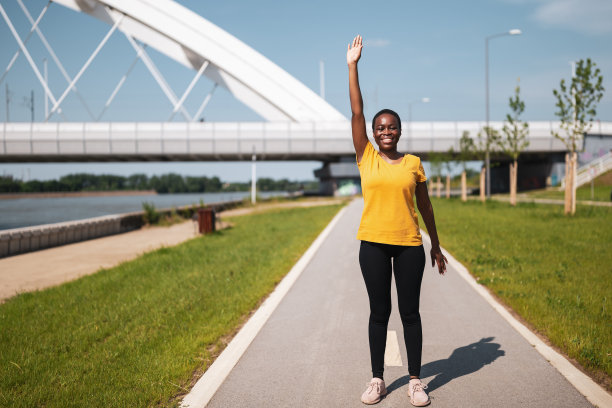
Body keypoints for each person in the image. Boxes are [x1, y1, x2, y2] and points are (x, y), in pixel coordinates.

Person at [347, 35, 448, 407]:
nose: (385, 132)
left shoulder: (413, 164)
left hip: (409, 245)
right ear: (373, 133)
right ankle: (378, 380)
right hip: (372, 243)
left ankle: (417, 381)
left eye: (391, 127)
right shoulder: (366, 157)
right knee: (379, 312)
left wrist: (435, 245)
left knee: (410, 313)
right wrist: (353, 66)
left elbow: (426, 207)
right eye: (380, 128)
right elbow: (357, 112)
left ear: (399, 131)